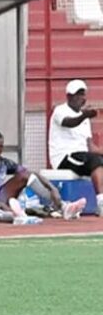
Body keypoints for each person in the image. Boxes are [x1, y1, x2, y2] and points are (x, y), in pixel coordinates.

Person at [0, 129, 84, 222]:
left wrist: (52, 188)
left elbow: (30, 174)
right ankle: (14, 216)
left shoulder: (4, 163)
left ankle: (63, 206)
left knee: (24, 176)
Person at [49, 79, 103, 216]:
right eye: (77, 95)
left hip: (82, 157)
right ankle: (101, 203)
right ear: (68, 96)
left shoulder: (85, 119)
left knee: (96, 159)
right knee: (94, 161)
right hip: (64, 157)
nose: (81, 98)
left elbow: (91, 147)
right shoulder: (60, 111)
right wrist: (84, 115)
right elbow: (69, 123)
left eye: (82, 94)